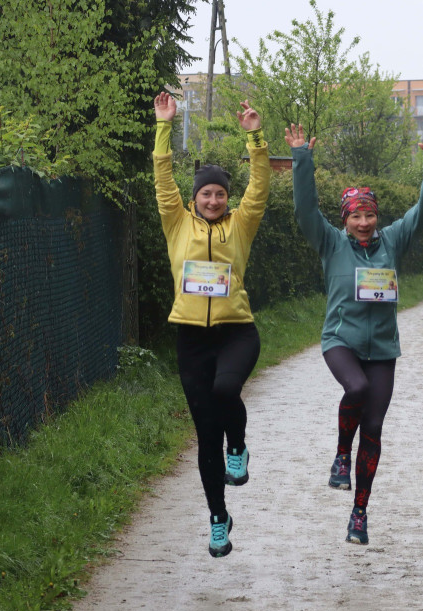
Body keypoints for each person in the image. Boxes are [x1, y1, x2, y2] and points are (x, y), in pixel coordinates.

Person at [286, 121, 423, 545]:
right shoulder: (331, 244)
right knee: (354, 388)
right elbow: (305, 210)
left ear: (378, 217)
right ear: (345, 218)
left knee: (373, 429)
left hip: (383, 351)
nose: (363, 221)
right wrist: (302, 158)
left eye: (369, 214)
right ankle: (341, 454)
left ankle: (359, 513)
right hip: (341, 342)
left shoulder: (393, 241)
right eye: (355, 215)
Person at [152, 91, 270, 557]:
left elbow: (260, 185)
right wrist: (164, 125)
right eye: (207, 193)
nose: (215, 200)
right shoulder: (176, 223)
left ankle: (238, 448)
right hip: (191, 339)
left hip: (237, 331)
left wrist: (255, 136)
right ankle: (218, 518)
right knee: (205, 437)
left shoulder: (241, 225)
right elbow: (163, 180)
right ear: (196, 198)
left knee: (226, 391)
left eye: (221, 193)